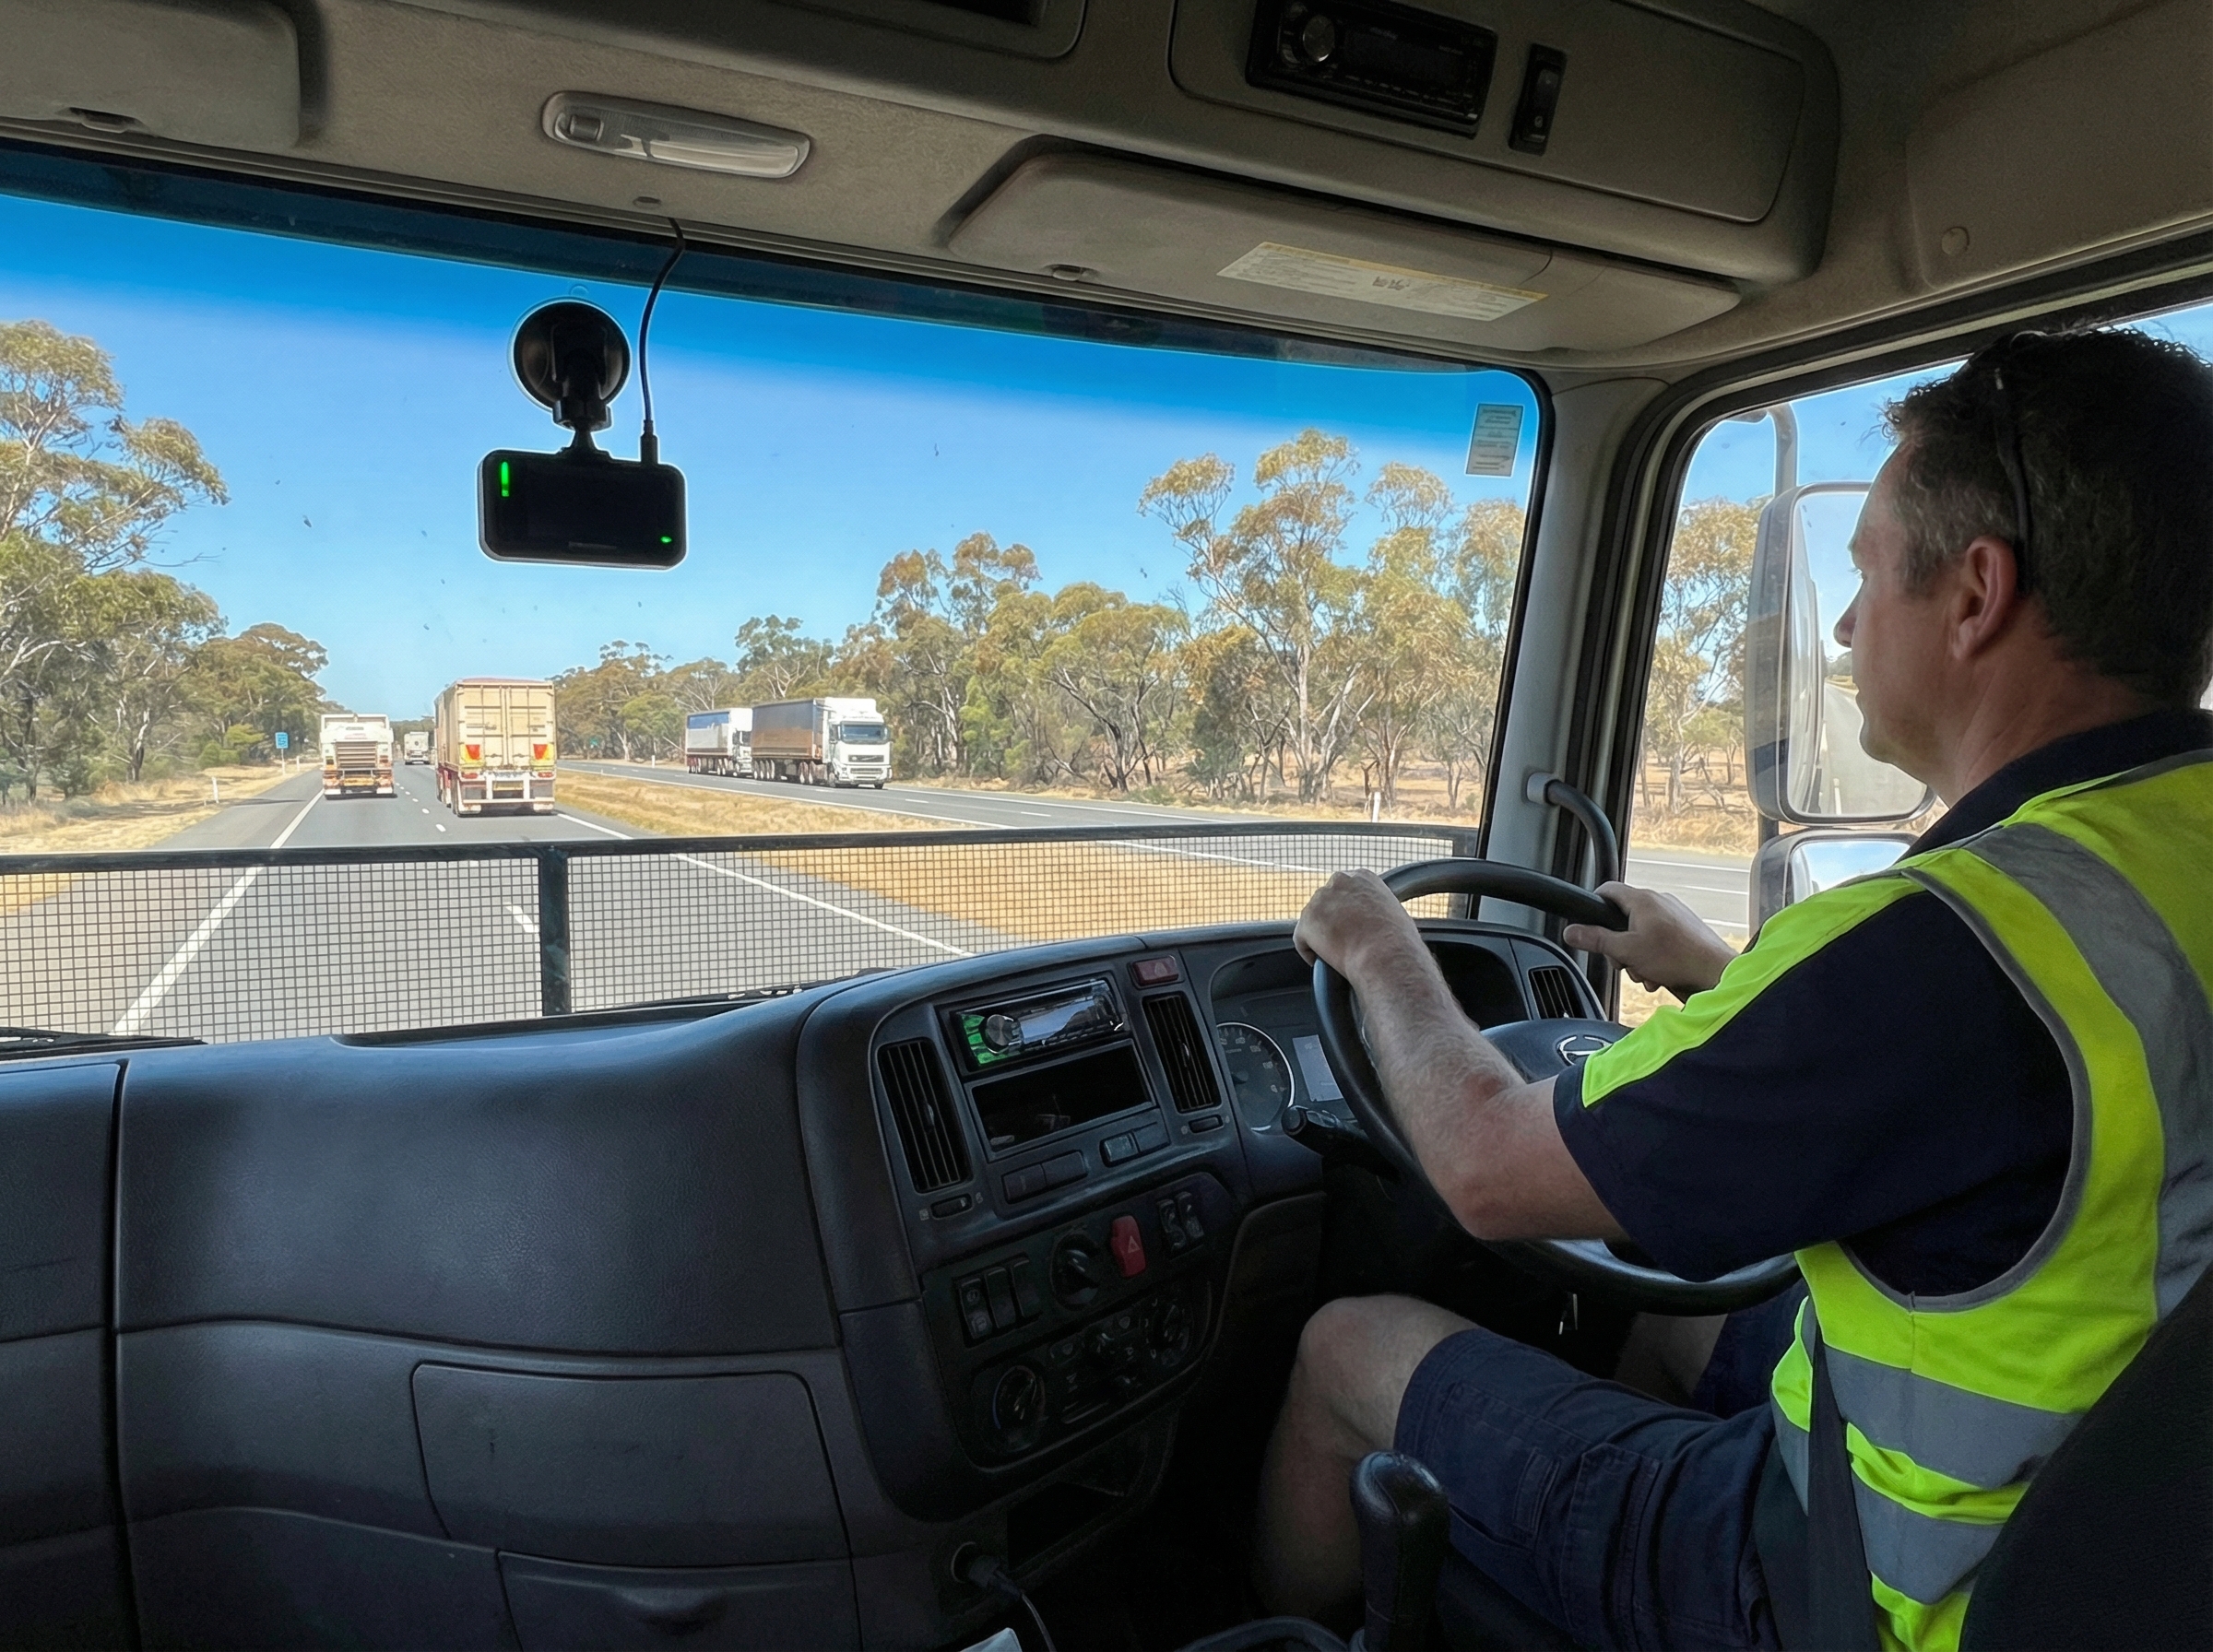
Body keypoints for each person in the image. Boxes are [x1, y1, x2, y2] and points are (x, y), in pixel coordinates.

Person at [1253, 327, 2213, 1652]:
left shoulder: (1944, 942)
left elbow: (1482, 1166)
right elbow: (2009, 1076)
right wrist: (1718, 971)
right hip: (2125, 1544)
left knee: (1344, 1348)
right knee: (1662, 1299)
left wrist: (1375, 944)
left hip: (1886, 1593)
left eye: (1865, 571)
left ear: (1976, 594)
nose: (1846, 622)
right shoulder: (2150, 855)